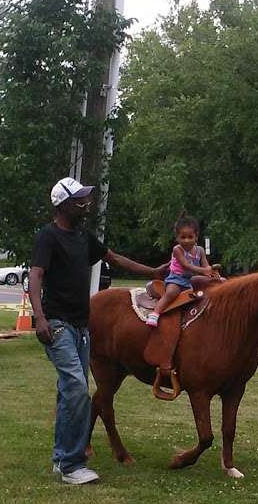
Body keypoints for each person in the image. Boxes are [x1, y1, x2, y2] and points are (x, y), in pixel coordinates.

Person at [28, 177, 165, 485]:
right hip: (58, 324)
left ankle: (60, 457)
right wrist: (39, 318)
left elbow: (113, 258)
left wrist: (152, 271)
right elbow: (35, 277)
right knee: (76, 388)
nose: (86, 204)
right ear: (63, 205)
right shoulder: (48, 238)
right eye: (79, 200)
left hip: (81, 326)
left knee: (68, 392)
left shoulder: (82, 237)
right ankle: (73, 464)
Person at [146, 214, 216, 327]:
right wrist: (203, 271)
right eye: (183, 237)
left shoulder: (200, 250)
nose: (187, 240)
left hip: (192, 280)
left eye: (190, 237)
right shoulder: (177, 250)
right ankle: (155, 313)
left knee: (205, 293)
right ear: (177, 238)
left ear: (196, 237)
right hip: (177, 279)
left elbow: (206, 266)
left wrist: (211, 272)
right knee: (171, 292)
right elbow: (186, 265)